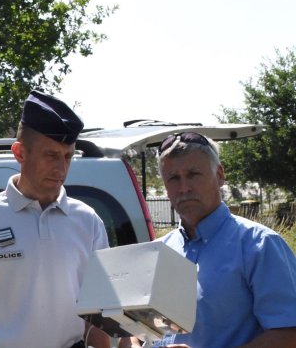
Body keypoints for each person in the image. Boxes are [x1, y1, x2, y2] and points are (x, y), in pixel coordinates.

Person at [0, 90, 111, 348]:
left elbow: (99, 317)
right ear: (20, 153)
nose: (61, 169)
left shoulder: (87, 221)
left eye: (68, 156)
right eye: (51, 155)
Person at [122, 132, 296, 348]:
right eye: (173, 178)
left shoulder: (259, 245)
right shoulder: (159, 251)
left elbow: (288, 335)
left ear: (220, 174)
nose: (184, 187)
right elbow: (138, 333)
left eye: (193, 174)